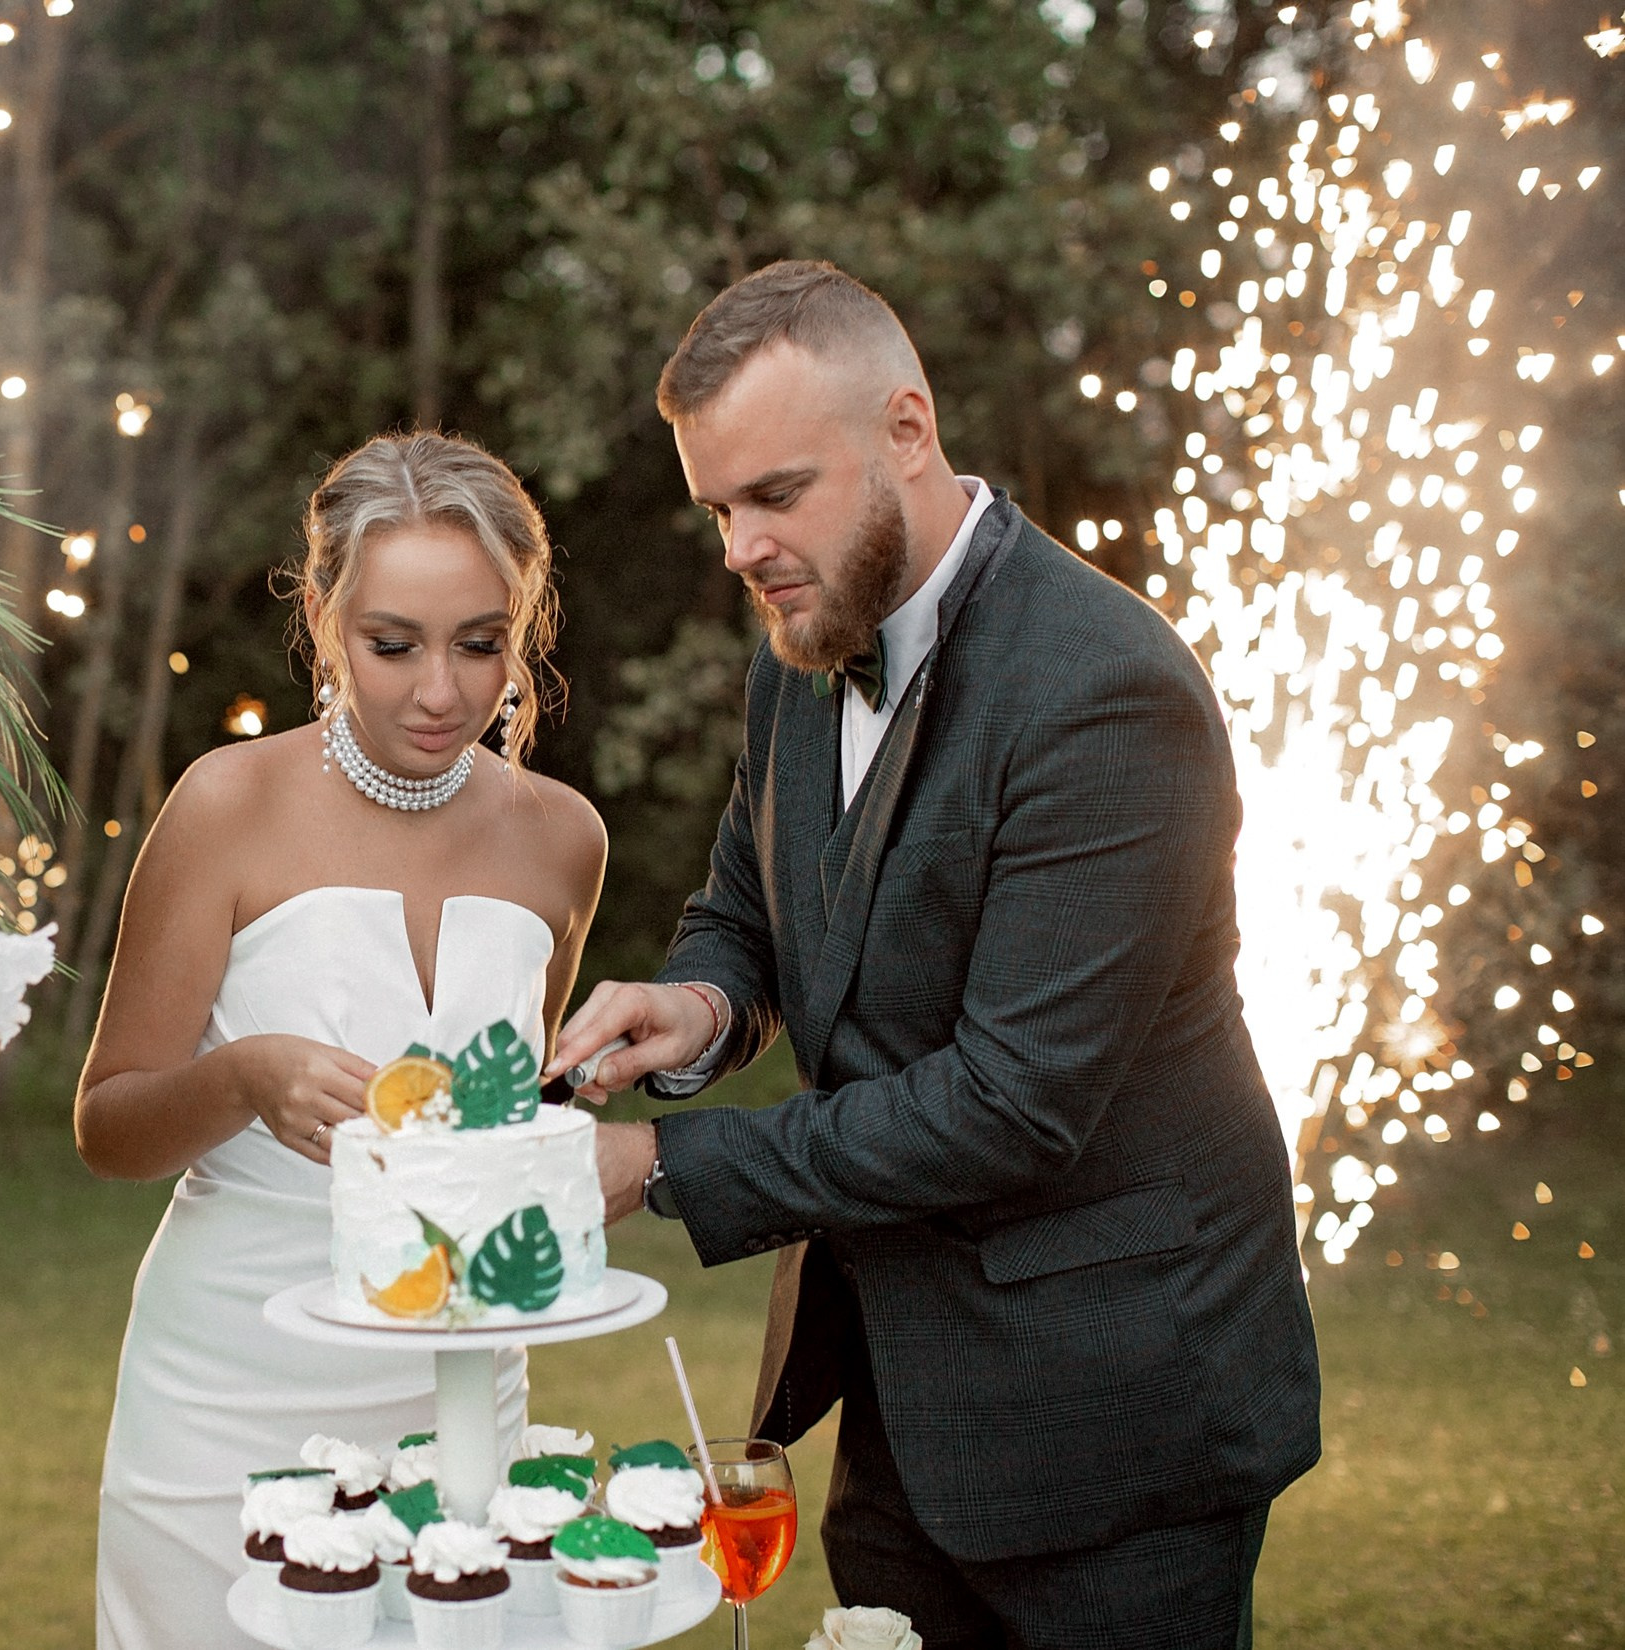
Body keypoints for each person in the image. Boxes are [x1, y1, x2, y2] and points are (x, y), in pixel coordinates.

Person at [548, 261, 1321, 1650]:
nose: (738, 546)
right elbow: (750, 903)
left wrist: (663, 1163)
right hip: (901, 1406)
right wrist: (702, 999)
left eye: (773, 494)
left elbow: (1010, 1101)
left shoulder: (1102, 691)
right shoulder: (794, 649)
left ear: (905, 430)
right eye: (716, 508)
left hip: (1116, 1430)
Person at [79, 431, 607, 1650]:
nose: (440, 691)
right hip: (230, 1390)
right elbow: (108, 1126)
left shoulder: (562, 839)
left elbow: (515, 1115)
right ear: (324, 619)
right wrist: (243, 1078)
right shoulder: (226, 805)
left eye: (481, 643)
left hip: (463, 1390)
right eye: (393, 643)